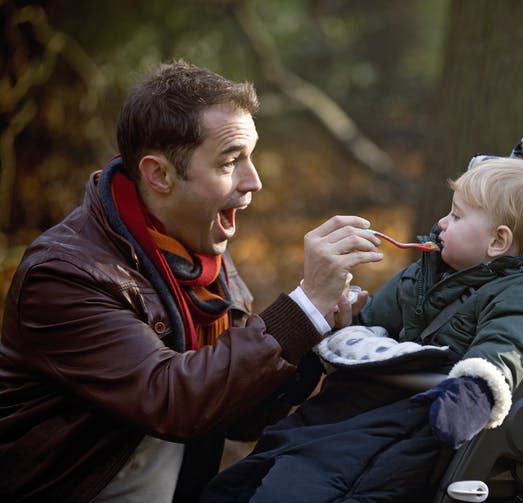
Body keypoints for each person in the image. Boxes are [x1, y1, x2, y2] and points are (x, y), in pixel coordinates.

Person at [0, 61, 384, 502]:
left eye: (251, 155)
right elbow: (171, 399)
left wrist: (316, 335)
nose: (254, 180)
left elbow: (234, 414)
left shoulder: (197, 249)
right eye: (230, 161)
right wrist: (302, 307)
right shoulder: (65, 275)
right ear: (159, 174)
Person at [200, 155, 523, 502]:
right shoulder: (424, 273)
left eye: (456, 217)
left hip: (412, 419)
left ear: (497, 242)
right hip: (357, 400)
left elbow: (504, 344)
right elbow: (374, 318)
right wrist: (340, 329)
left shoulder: (521, 292)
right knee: (253, 468)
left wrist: (474, 391)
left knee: (309, 481)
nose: (442, 223)